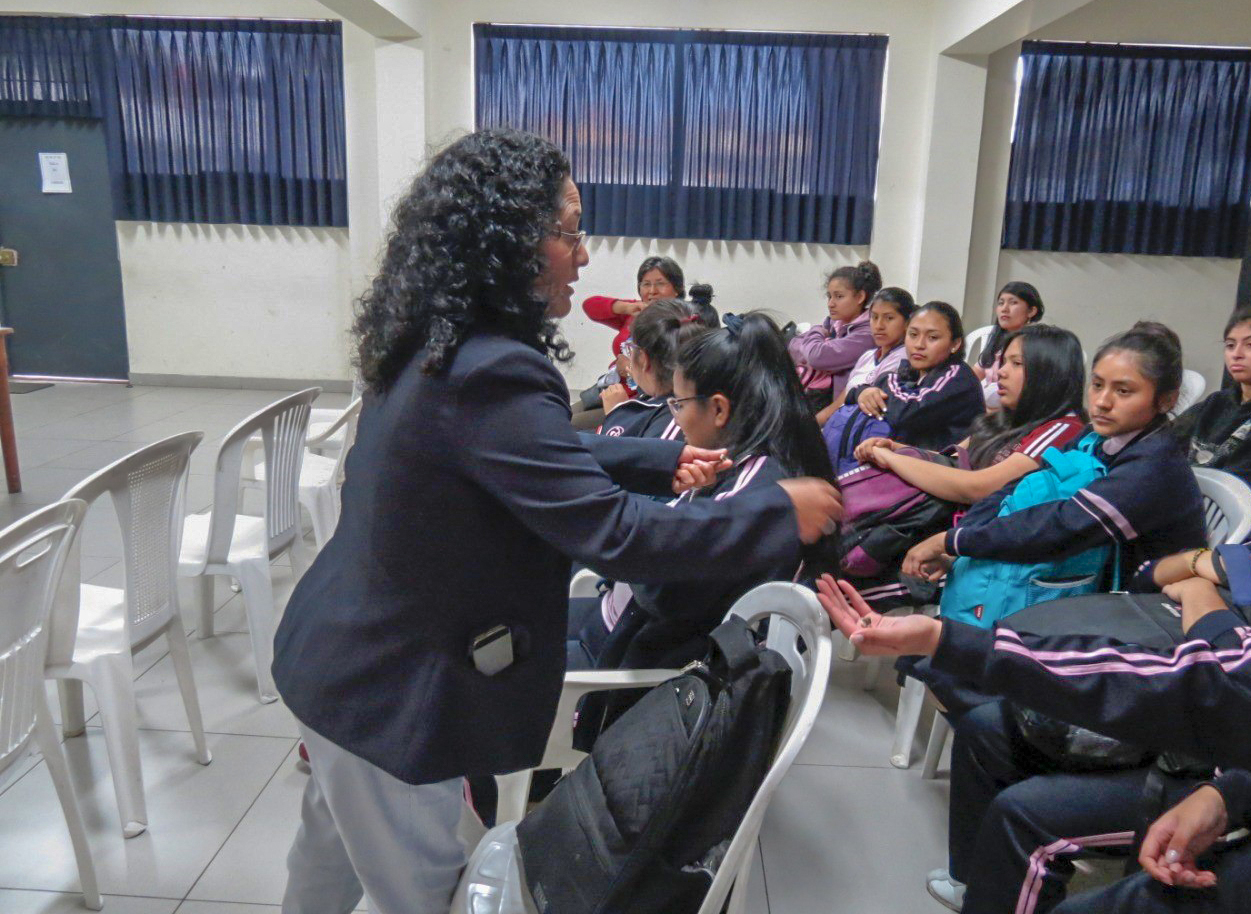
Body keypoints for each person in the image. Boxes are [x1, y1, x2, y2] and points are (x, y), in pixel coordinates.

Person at [269, 129, 842, 914]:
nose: (582, 254)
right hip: (391, 688)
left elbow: (514, 454)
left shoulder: (437, 340)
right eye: (568, 232)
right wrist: (773, 510)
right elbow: (619, 537)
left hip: (337, 652)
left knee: (324, 865)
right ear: (506, 242)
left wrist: (655, 461)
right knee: (425, 897)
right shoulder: (495, 370)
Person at [817, 573, 1251, 914]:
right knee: (985, 729)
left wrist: (945, 635)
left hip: (1216, 768)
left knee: (1024, 815)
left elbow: (1203, 681)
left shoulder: (1152, 476)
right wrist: (1233, 793)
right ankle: (972, 885)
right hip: (1239, 769)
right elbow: (1157, 579)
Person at [567, 312, 838, 678]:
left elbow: (662, 588)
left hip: (634, 661)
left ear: (719, 409)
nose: (674, 418)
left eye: (678, 404)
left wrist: (650, 523)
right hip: (620, 626)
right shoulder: (738, 463)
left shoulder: (758, 482)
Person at [900, 322, 1205, 591]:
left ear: (1166, 400)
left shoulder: (1153, 465)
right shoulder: (1095, 437)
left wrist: (953, 542)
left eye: (1123, 391)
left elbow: (1062, 526)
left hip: (1134, 597)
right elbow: (1016, 489)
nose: (1102, 402)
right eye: (1097, 385)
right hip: (1078, 574)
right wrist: (959, 542)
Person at [847, 324, 1086, 610]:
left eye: (1016, 363)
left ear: (1050, 372)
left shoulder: (1063, 429)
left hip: (978, 551)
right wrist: (897, 448)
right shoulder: (1006, 419)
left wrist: (893, 459)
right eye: (1003, 362)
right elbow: (952, 458)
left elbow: (977, 487)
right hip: (944, 530)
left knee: (848, 588)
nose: (1000, 372)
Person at [830, 301, 985, 464]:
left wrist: (884, 379)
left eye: (932, 337)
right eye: (913, 334)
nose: (919, 345)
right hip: (914, 462)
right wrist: (863, 392)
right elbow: (854, 395)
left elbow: (906, 412)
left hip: (945, 469)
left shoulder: (956, 376)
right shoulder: (914, 372)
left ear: (955, 344)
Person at [1173, 307, 1251, 538]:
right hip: (1189, 513)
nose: (1237, 354)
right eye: (1230, 345)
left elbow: (1235, 488)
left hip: (1243, 536)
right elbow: (1165, 444)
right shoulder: (1217, 402)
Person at [573, 258, 694, 428]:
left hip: (638, 399)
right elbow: (590, 306)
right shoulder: (638, 311)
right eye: (646, 284)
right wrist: (624, 307)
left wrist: (631, 368)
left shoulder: (678, 321)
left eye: (660, 284)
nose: (652, 291)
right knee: (563, 411)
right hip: (612, 387)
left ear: (677, 289)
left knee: (568, 424)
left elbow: (669, 373)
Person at [596, 294, 717, 440]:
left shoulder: (675, 419)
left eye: (630, 349)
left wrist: (617, 415)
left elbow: (617, 454)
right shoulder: (699, 398)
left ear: (643, 359)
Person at [789, 261, 882, 411]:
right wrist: (817, 341)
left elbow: (817, 356)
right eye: (829, 296)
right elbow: (793, 346)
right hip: (817, 399)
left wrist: (817, 331)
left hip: (841, 410)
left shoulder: (867, 334)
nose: (830, 304)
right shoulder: (834, 323)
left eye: (839, 296)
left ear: (860, 297)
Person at [816, 287, 914, 428]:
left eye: (889, 318)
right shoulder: (867, 357)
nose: (879, 326)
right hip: (839, 427)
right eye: (874, 317)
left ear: (907, 323)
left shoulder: (904, 358)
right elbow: (838, 404)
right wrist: (809, 426)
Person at [973, 282, 1044, 409]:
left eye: (1013, 303)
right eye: (1001, 303)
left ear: (1031, 311)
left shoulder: (1036, 345)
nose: (1004, 309)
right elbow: (974, 374)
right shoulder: (997, 339)